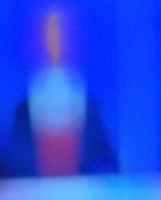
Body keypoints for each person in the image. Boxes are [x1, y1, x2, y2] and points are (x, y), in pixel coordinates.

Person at [13, 11, 118, 178]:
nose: (55, 42)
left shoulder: (91, 108)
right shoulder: (22, 114)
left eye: (61, 35)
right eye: (49, 35)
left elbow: (110, 168)